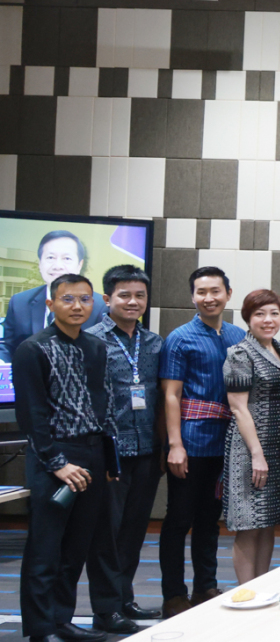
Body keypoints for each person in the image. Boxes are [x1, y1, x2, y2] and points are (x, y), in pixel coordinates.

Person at [15, 273, 128, 642]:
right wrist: (57, 463)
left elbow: (105, 404)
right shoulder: (32, 349)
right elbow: (31, 415)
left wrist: (109, 459)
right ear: (51, 304)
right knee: (45, 550)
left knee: (76, 547)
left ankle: (61, 620)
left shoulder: (96, 347)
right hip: (55, 457)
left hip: (93, 454)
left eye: (84, 299)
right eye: (68, 299)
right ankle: (40, 635)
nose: (77, 306)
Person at [158, 265, 243, 616]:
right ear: (192, 296)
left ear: (228, 294)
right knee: (179, 519)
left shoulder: (239, 335)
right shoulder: (179, 338)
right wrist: (175, 445)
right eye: (201, 292)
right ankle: (173, 594)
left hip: (226, 444)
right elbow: (171, 395)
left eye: (215, 291)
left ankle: (205, 586)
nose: (209, 298)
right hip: (191, 443)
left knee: (210, 520)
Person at [92, 264, 163, 623]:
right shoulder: (91, 341)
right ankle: (106, 609)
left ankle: (125, 599)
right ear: (108, 298)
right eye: (124, 295)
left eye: (140, 295)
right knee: (107, 533)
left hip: (147, 448)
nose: (133, 302)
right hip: (111, 453)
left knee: (134, 531)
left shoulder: (153, 343)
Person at [222, 288, 280, 584]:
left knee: (268, 521)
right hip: (250, 448)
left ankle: (261, 586)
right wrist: (256, 454)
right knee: (249, 522)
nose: (268, 320)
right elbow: (238, 408)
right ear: (248, 318)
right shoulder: (240, 353)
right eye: (260, 314)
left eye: (274, 313)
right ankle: (245, 592)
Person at [1, 229, 108, 363]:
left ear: (79, 265)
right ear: (40, 263)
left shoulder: (100, 306)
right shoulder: (19, 302)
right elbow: (7, 346)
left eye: (66, 258)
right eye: (50, 258)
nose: (58, 266)